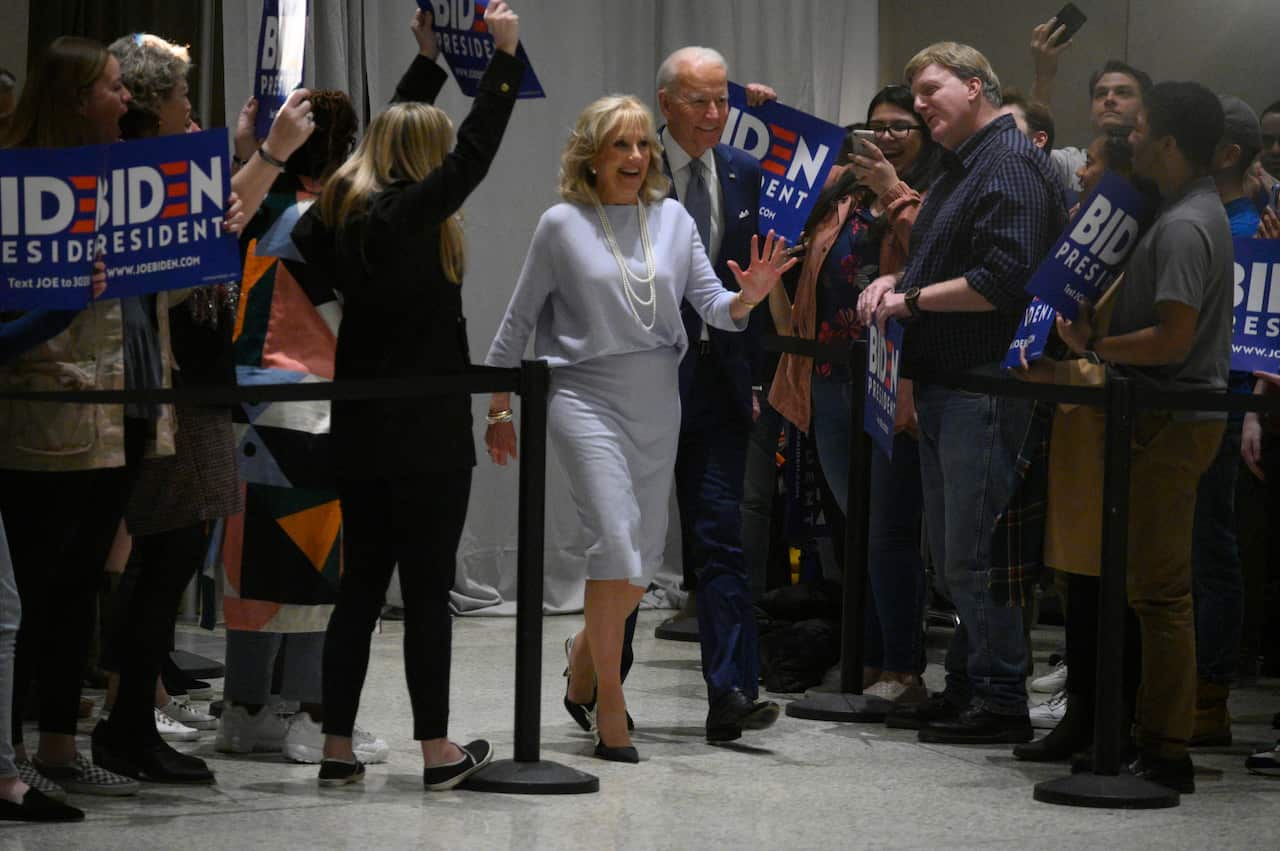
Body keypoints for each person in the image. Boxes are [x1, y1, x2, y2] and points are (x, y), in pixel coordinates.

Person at [484, 85, 793, 761]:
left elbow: (713, 304)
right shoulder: (562, 224)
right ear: (590, 156)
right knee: (616, 550)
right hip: (582, 394)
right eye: (619, 143)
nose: (635, 154)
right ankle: (611, 708)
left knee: (640, 565)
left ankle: (580, 660)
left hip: (659, 398)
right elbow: (518, 317)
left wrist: (749, 297)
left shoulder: (674, 220)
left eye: (642, 143)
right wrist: (499, 401)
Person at [289, 0, 523, 790]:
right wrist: (504, 60)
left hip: (358, 425)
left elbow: (378, 145)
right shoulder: (413, 213)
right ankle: (434, 748)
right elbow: (477, 152)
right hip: (425, 429)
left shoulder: (336, 216)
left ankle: (336, 746)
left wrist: (427, 64)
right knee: (426, 588)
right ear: (423, 158)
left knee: (361, 588)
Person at [216, 7, 441, 767]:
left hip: (254, 395)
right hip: (313, 402)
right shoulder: (333, 220)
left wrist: (254, 150)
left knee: (254, 561)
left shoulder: (256, 205)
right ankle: (308, 709)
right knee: (318, 564)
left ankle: (249, 705)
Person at [858, 42, 1066, 745]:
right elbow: (940, 258)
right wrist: (896, 282)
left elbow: (1005, 278)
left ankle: (1002, 694)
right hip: (952, 385)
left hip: (986, 386)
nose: (918, 105)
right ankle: (974, 682)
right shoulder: (962, 163)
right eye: (914, 92)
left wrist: (910, 300)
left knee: (978, 554)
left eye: (931, 90)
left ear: (977, 86)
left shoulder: (1008, 164)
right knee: (953, 556)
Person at [1055, 82, 1233, 793]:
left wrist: (1098, 341)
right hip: (1170, 415)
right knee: (1152, 588)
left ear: (1167, 142)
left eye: (1144, 128)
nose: (1132, 139)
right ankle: (1152, 737)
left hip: (1176, 416)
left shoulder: (1187, 224)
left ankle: (1165, 748)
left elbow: (1173, 338)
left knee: (1160, 594)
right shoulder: (1185, 213)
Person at [0, 34, 160, 800]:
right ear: (74, 97)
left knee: (76, 598)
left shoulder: (129, 177)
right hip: (40, 422)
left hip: (115, 412)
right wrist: (52, 309)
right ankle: (9, 756)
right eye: (111, 86)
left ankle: (59, 748)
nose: (125, 98)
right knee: (28, 601)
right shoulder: (14, 183)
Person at [768, 85, 942, 705]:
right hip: (829, 381)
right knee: (857, 530)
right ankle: (867, 660)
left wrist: (893, 186)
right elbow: (778, 196)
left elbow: (934, 253)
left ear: (924, 136)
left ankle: (904, 666)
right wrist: (766, 111)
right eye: (877, 126)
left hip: (893, 380)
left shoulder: (933, 192)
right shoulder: (838, 194)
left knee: (892, 529)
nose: (887, 136)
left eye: (902, 127)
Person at [646, 45, 782, 743]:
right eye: (698, 101)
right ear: (664, 103)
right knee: (631, 548)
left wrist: (754, 377)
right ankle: (596, 679)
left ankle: (731, 692)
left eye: (722, 100)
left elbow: (747, 283)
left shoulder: (744, 170)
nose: (713, 114)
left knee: (721, 537)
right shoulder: (633, 165)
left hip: (722, 384)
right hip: (643, 385)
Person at [0, 266, 111, 822]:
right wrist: (60, 305)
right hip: (34, 416)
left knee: (23, 608)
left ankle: (15, 766)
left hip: (97, 407)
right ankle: (7, 769)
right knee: (13, 611)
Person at [1187, 95, 1264, 747]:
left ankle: (1211, 693)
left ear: (1228, 153)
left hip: (1230, 397)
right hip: (1193, 393)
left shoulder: (1251, 226)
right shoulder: (1209, 215)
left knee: (1211, 544)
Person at [1029, 16, 1153, 194]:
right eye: (1101, 94)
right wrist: (1043, 76)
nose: (1109, 99)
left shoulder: (1156, 167)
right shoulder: (1072, 164)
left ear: (1145, 109)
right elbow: (1028, 154)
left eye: (1122, 92)